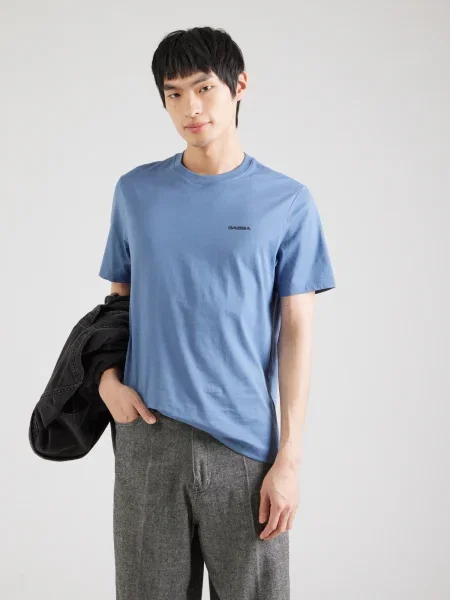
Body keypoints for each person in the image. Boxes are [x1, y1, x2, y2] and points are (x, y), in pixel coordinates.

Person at [98, 25, 336, 600]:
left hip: (246, 446)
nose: (191, 108)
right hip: (148, 435)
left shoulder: (287, 201)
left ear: (239, 86)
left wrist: (289, 459)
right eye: (174, 93)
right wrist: (105, 380)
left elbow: (297, 332)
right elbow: (116, 305)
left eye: (203, 88)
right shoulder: (136, 192)